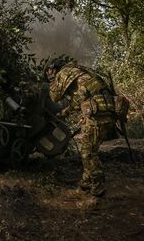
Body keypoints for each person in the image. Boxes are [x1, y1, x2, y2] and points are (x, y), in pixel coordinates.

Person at [45, 59, 119, 197]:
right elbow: (79, 99)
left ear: (54, 68)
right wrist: (64, 113)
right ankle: (86, 183)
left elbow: (54, 96)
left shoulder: (64, 72)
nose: (48, 73)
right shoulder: (83, 72)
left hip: (96, 115)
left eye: (48, 71)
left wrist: (50, 81)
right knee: (90, 147)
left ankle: (98, 186)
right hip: (107, 113)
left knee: (88, 152)